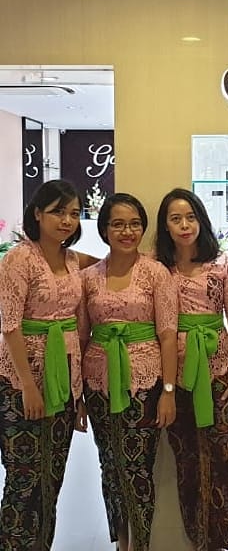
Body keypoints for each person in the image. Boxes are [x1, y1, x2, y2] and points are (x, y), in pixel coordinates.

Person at [79, 192, 178, 551]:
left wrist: (168, 392)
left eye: (135, 224)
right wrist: (77, 397)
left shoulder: (156, 273)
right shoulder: (89, 278)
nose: (127, 231)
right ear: (105, 229)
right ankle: (121, 542)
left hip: (145, 383)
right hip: (98, 384)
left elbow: (168, 334)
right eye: (118, 224)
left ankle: (141, 544)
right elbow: (82, 336)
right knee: (110, 466)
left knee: (138, 468)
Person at [0, 179, 96, 550]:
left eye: (74, 213)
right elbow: (10, 325)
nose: (67, 220)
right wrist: (27, 385)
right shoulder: (19, 259)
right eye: (58, 212)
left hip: (64, 380)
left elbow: (109, 265)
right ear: (38, 213)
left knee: (51, 478)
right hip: (21, 381)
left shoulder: (72, 260)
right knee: (23, 479)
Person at [154, 187, 228, 551]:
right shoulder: (157, 266)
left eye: (190, 217)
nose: (184, 225)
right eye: (175, 219)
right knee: (187, 460)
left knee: (220, 457)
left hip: (218, 372)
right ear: (165, 225)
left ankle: (220, 540)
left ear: (201, 220)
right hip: (175, 376)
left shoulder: (222, 263)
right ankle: (196, 539)